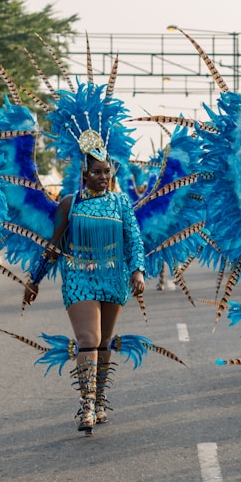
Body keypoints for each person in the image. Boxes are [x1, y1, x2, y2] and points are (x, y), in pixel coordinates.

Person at [24, 154, 145, 435]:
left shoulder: (121, 202)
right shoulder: (71, 203)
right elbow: (54, 245)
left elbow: (134, 239)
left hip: (113, 277)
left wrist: (137, 270)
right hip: (79, 277)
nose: (103, 177)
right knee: (88, 340)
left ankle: (100, 399)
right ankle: (87, 404)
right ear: (84, 174)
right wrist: (35, 279)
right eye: (97, 172)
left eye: (107, 172)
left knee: (103, 342)